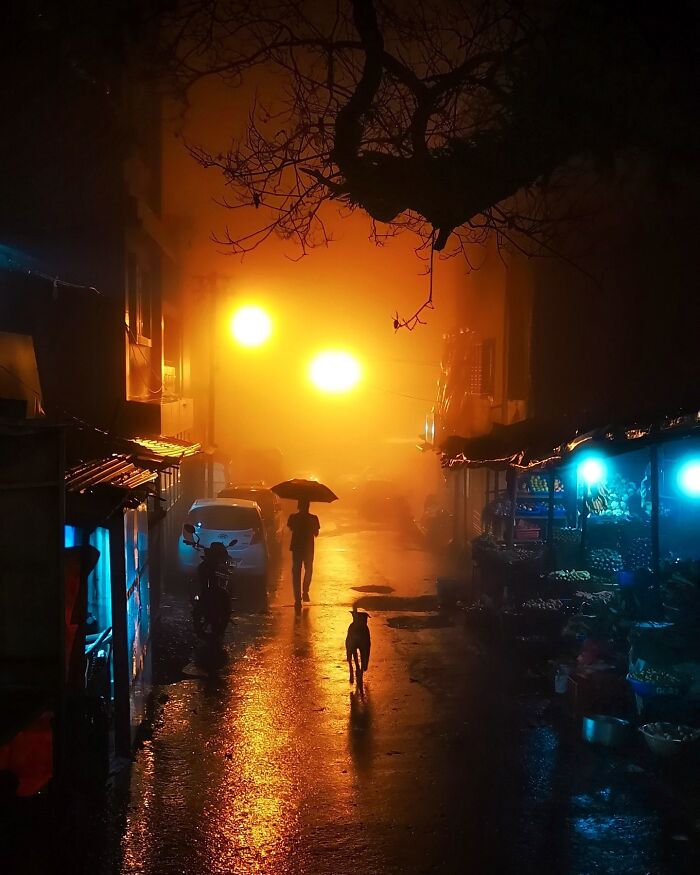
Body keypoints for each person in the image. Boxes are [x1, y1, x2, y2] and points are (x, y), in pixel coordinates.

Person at [287, 499, 320, 607]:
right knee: (308, 569)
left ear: (298, 506)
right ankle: (305, 591)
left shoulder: (293, 517)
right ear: (308, 506)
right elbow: (316, 533)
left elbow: (290, 528)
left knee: (296, 572)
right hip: (308, 548)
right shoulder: (313, 518)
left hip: (296, 547)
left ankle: (297, 599)